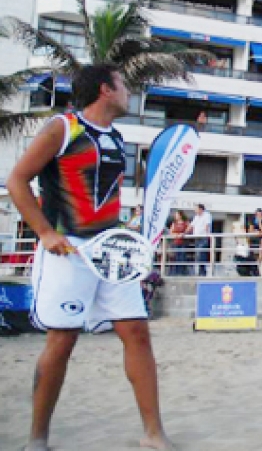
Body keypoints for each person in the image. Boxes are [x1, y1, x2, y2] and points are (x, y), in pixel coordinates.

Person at [7, 63, 173, 449]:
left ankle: (154, 434)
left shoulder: (115, 136)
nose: (129, 91)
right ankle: (37, 439)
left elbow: (106, 197)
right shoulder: (63, 128)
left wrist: (127, 235)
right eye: (122, 85)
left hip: (111, 251)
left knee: (137, 333)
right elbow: (17, 180)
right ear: (105, 89)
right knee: (62, 340)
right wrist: (44, 232)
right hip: (68, 250)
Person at [187, 204, 213, 277]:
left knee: (201, 253)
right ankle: (200, 271)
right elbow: (191, 225)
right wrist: (184, 233)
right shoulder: (196, 217)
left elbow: (207, 225)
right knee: (198, 254)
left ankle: (203, 272)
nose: (195, 210)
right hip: (197, 238)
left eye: (196, 209)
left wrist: (208, 235)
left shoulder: (207, 215)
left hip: (203, 237)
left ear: (201, 209)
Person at [168, 210, 190, 277]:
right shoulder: (174, 223)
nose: (176, 216)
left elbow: (189, 229)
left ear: (180, 215)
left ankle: (182, 273)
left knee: (182, 257)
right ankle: (175, 273)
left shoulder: (186, 222)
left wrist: (183, 234)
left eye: (177, 215)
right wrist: (176, 234)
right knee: (175, 257)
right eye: (175, 215)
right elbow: (171, 232)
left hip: (183, 242)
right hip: (175, 242)